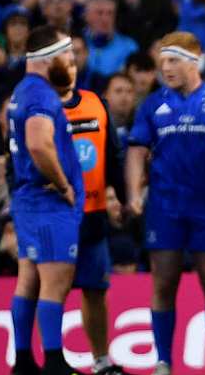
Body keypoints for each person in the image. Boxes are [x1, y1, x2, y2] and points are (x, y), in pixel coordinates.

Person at [125, 32, 205, 375]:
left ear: (194, 60)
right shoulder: (152, 104)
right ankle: (163, 362)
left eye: (172, 61)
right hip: (165, 206)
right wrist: (132, 192)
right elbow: (136, 150)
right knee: (164, 281)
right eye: (162, 63)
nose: (166, 69)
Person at [8, 26, 85, 375]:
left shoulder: (21, 92)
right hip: (47, 201)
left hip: (27, 200)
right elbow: (38, 144)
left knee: (29, 279)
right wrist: (64, 183)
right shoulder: (42, 96)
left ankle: (23, 360)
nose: (71, 62)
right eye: (67, 55)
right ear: (50, 58)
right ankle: (54, 361)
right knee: (55, 282)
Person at [57, 60, 127, 375]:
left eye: (72, 62)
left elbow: (113, 155)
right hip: (55, 215)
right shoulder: (39, 108)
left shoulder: (95, 103)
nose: (67, 68)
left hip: (94, 213)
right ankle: (53, 362)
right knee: (51, 292)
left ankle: (101, 361)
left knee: (96, 290)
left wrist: (123, 199)